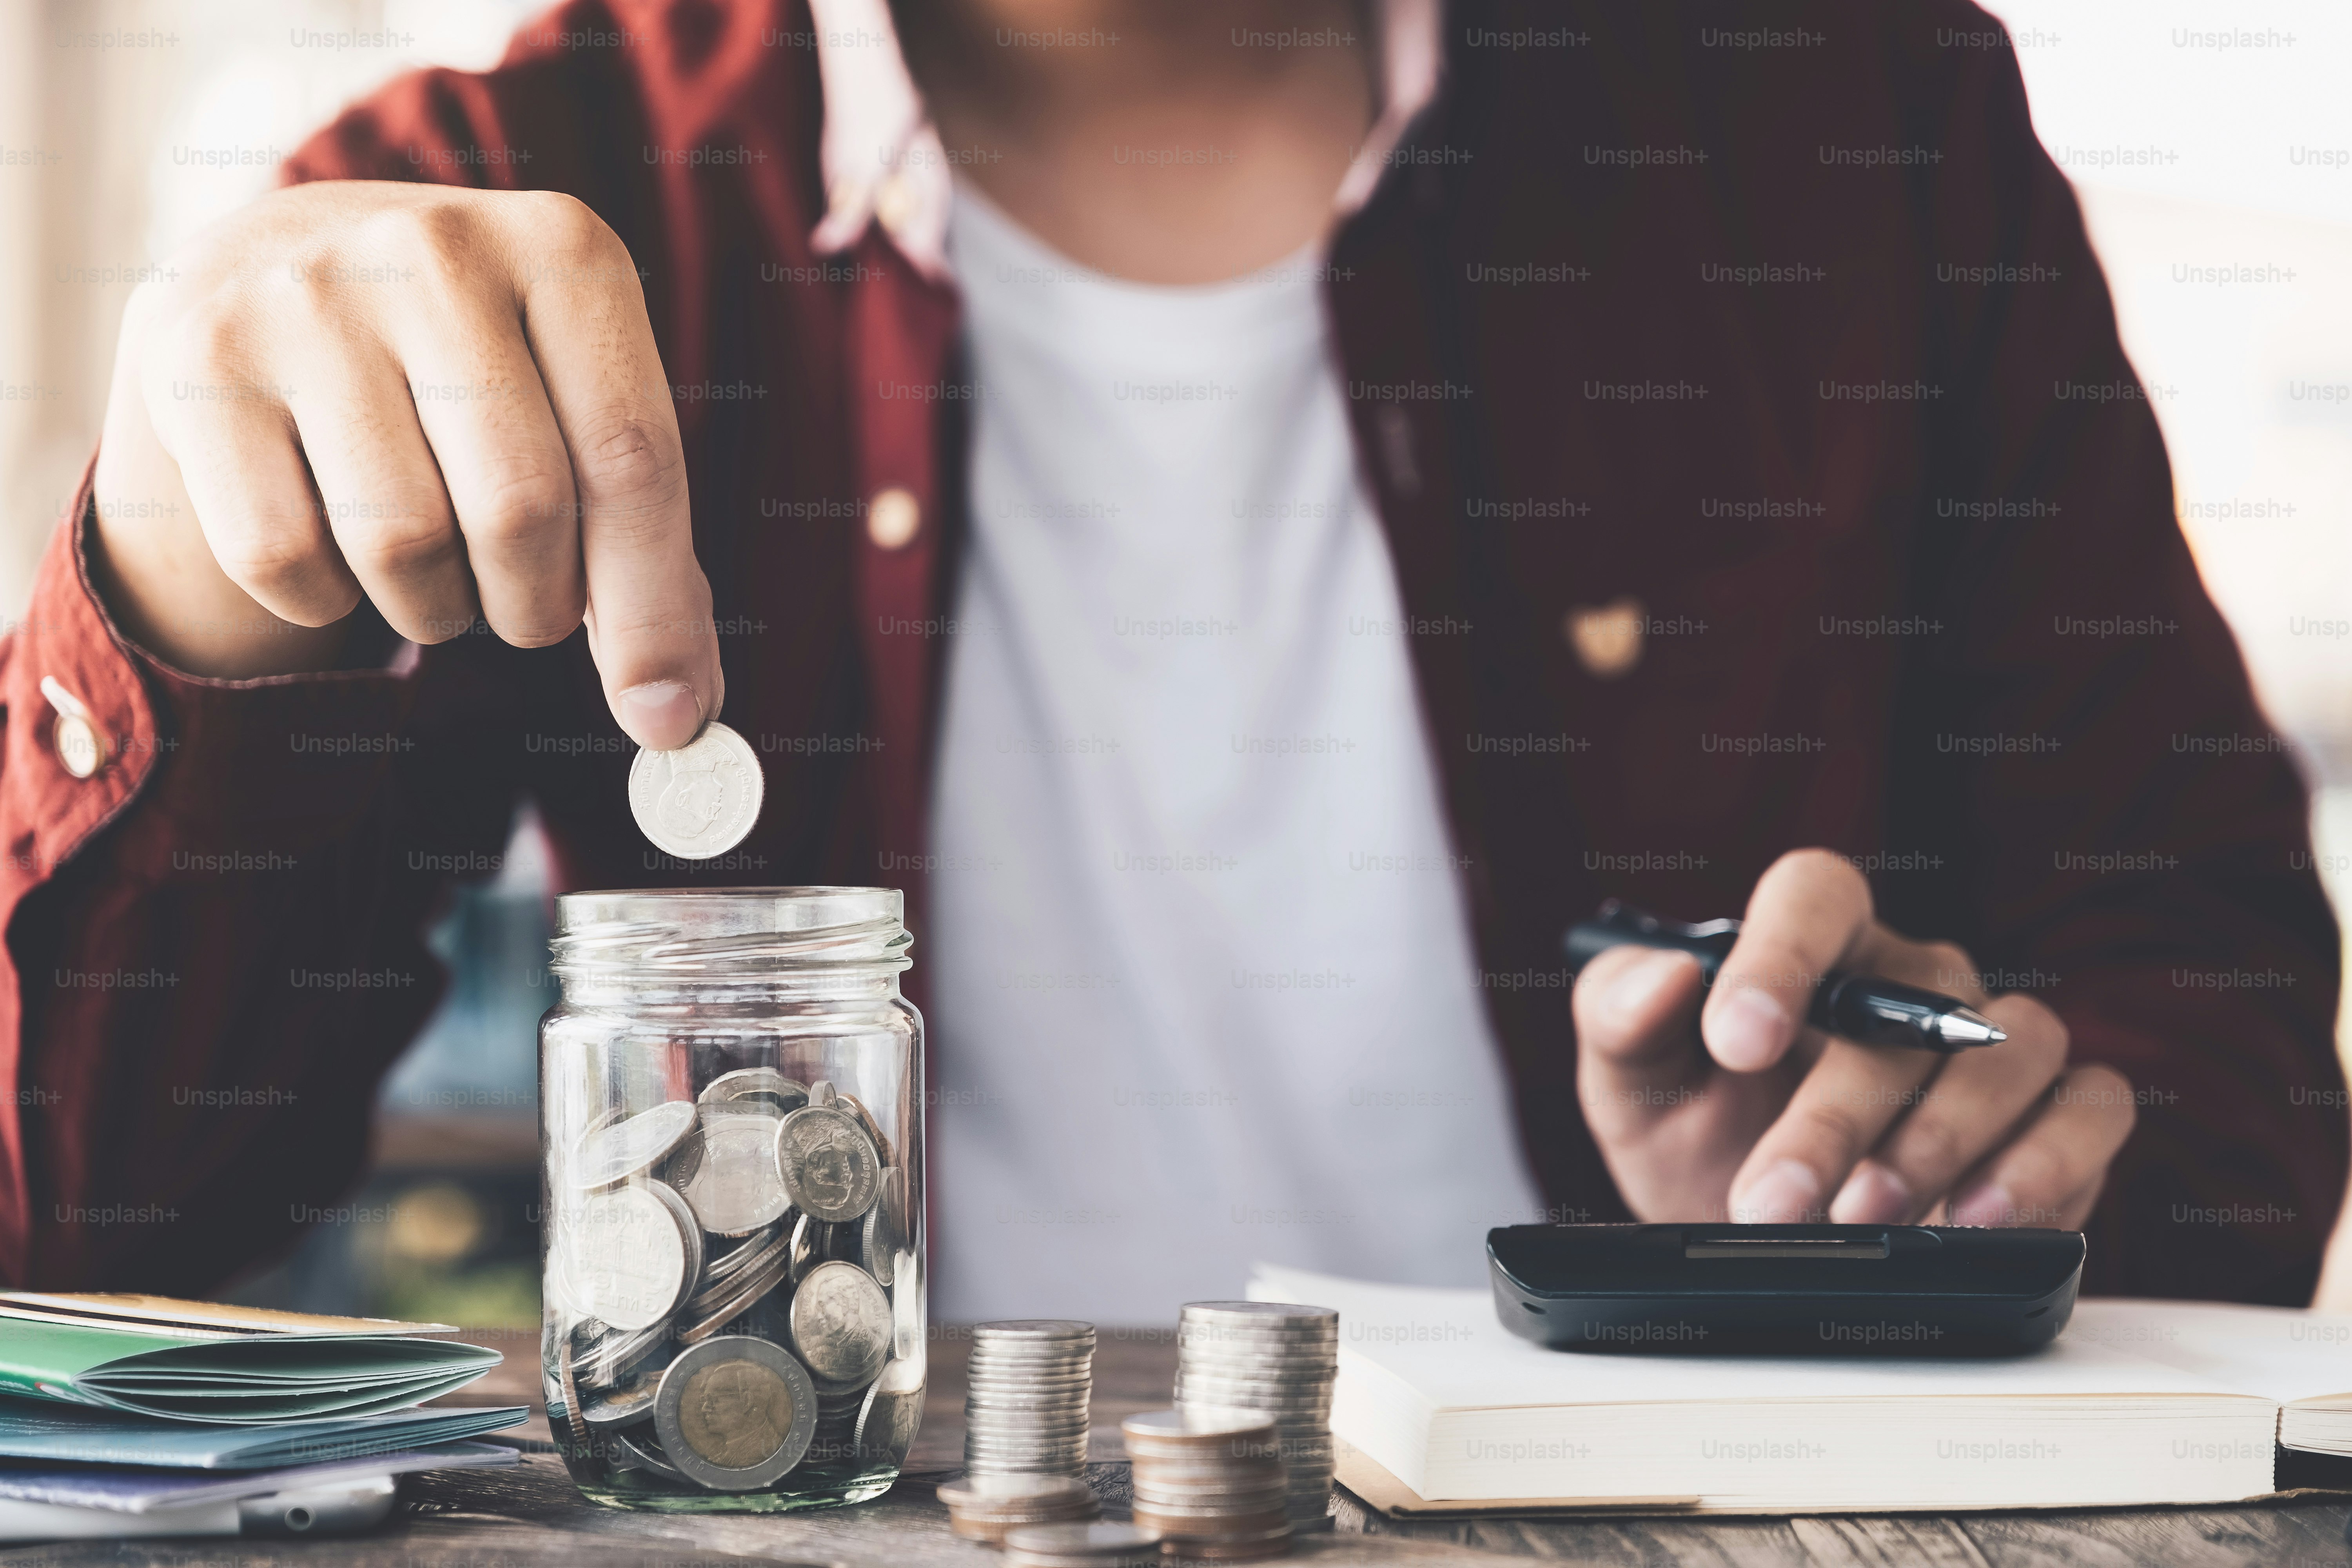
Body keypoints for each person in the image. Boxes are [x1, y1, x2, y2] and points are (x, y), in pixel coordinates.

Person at [1, 0, 2339, 1319]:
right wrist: (179, 596)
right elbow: (86, 1245)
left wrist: (1902, 1206)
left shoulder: (1848, 112)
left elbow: (2213, 1037)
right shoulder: (502, 190)